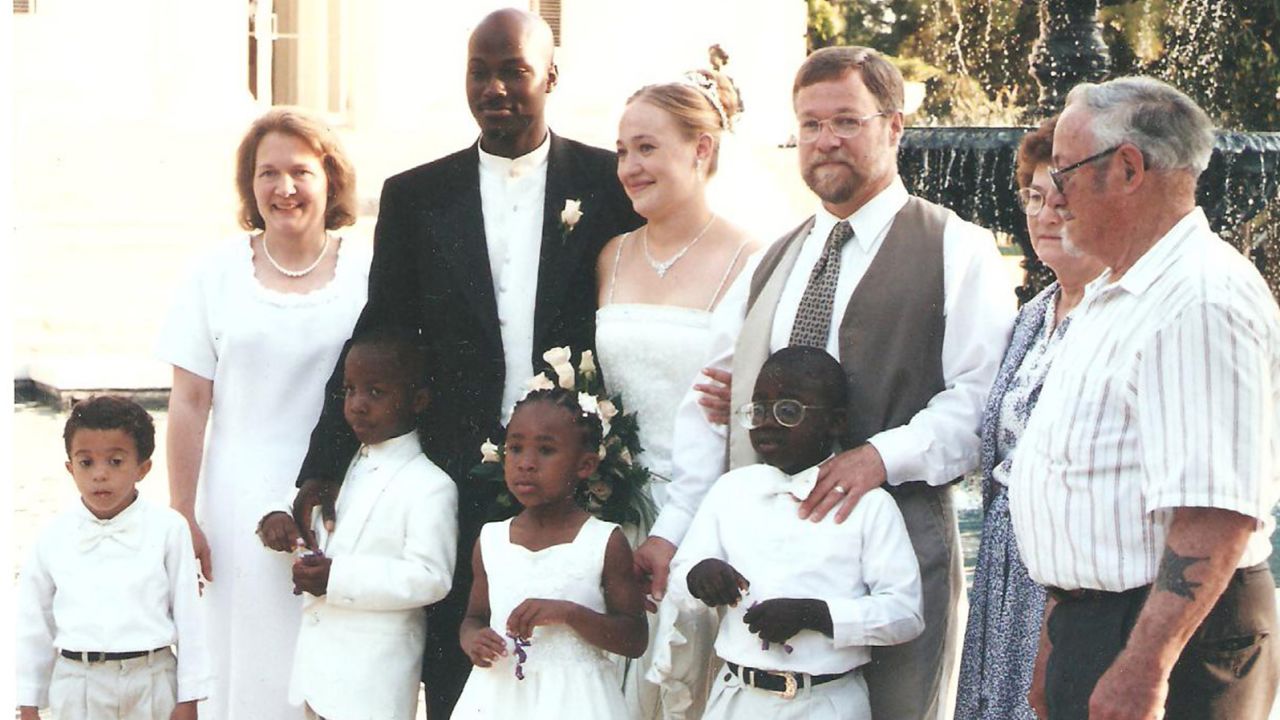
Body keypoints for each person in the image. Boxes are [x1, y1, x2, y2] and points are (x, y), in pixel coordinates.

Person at [646, 46, 1015, 720]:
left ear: (894, 126)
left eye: (846, 121)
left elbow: (981, 402)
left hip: (891, 557)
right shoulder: (772, 259)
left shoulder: (956, 248)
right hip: (760, 575)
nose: (826, 142)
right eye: (810, 126)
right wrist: (677, 534)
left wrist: (879, 457)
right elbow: (710, 402)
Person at [290, 10, 641, 717]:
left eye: (513, 69)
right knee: (458, 661)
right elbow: (379, 331)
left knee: (575, 667)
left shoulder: (608, 183)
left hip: (577, 475)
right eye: (480, 72)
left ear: (550, 75)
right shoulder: (416, 195)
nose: (495, 88)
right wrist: (323, 465)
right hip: (455, 470)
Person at [1009, 76, 1280, 719]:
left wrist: (1144, 668)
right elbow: (1087, 480)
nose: (1056, 198)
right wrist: (1059, 641)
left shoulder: (1199, 300)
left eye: (1067, 173)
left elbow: (1217, 513)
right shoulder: (1117, 290)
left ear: (1127, 169)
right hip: (1104, 627)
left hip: (1175, 641)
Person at [156, 107, 368, 720]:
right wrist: (182, 514)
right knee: (243, 664)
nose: (284, 188)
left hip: (339, 496)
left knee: (324, 665)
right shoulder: (214, 274)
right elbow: (191, 401)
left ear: (330, 178)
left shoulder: (366, 271)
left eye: (301, 171)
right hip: (232, 500)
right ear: (249, 185)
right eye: (266, 173)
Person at [598, 72, 759, 719]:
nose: (630, 167)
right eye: (622, 151)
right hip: (614, 513)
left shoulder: (751, 259)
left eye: (646, 148)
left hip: (702, 521)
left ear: (703, 150)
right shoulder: (607, 256)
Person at [670, 346, 923, 720]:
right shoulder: (731, 490)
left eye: (788, 411)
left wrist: (815, 615)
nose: (768, 422)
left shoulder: (869, 506)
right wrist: (699, 574)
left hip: (825, 703)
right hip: (736, 700)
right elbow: (680, 577)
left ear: (835, 422)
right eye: (759, 409)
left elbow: (904, 613)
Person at [953, 117, 1105, 720]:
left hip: (1066, 576)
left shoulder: (1117, 313)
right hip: (1002, 564)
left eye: (1060, 199)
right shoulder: (1033, 313)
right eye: (1033, 198)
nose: (1044, 215)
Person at [260, 328, 458, 720]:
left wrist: (339, 578)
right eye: (349, 390)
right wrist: (276, 516)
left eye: (375, 392)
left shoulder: (430, 486)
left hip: (373, 685)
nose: (357, 405)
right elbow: (300, 500)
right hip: (318, 675)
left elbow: (431, 576)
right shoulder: (345, 464)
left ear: (417, 400)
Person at [453, 387, 648, 719]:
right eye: (515, 448)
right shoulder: (492, 539)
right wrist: (473, 639)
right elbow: (474, 617)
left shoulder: (603, 542)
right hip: (499, 700)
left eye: (545, 450)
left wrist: (570, 614)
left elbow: (635, 638)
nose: (526, 464)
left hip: (577, 703)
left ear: (584, 465)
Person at [16, 396, 211, 720]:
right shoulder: (52, 535)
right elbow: (34, 622)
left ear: (143, 468)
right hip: (77, 684)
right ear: (70, 467)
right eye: (86, 462)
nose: (100, 475)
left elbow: (189, 616)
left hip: (152, 679)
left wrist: (189, 697)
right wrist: (28, 703)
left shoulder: (169, 528)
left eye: (116, 461)